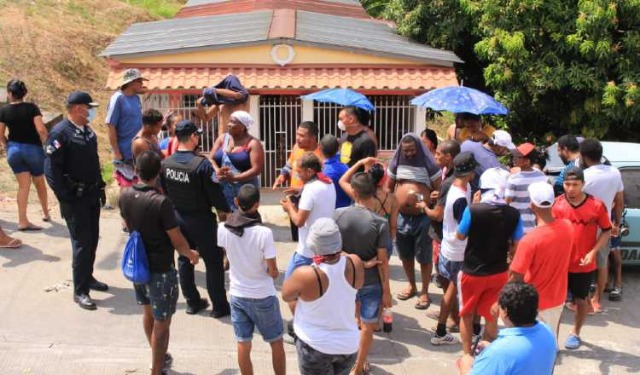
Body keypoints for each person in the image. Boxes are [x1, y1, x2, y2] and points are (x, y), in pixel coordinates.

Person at [119, 150, 200, 375]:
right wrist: (190, 254)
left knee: (148, 314)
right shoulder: (161, 202)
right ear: (159, 172)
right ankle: (156, 369)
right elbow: (176, 238)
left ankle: (159, 358)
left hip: (139, 266)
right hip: (161, 269)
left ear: (136, 170)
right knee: (162, 323)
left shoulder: (124, 195)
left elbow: (127, 224)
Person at [161, 120, 232, 318]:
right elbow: (215, 195)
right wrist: (225, 212)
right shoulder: (201, 165)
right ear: (193, 137)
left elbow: (165, 191)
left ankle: (192, 301)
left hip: (178, 218)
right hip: (201, 220)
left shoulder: (166, 164)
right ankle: (219, 306)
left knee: (184, 258)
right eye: (197, 135)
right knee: (213, 262)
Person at [44, 91, 108, 310]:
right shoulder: (60, 134)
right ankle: (80, 291)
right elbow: (51, 170)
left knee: (92, 240)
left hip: (90, 194)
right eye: (89, 108)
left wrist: (100, 186)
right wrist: (65, 197)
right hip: (75, 199)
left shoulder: (87, 132)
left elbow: (94, 161)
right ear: (79, 109)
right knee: (81, 243)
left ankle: (87, 276)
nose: (91, 112)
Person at [281, 218, 365, 375]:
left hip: (315, 346)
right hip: (348, 345)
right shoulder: (355, 262)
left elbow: (286, 295)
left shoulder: (306, 274)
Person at [217, 185, 285, 375]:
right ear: (257, 205)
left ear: (236, 202)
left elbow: (227, 256)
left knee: (243, 343)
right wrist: (273, 272)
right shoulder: (264, 233)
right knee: (276, 341)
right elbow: (272, 271)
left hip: (237, 295)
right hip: (263, 295)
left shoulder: (222, 228)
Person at [455, 167, 523, 355]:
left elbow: (460, 235)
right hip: (499, 271)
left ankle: (467, 354)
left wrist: (474, 205)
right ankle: (486, 350)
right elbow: (517, 243)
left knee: (466, 315)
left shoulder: (473, 209)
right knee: (492, 314)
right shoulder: (513, 213)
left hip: (472, 272)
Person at [334, 173, 391, 374]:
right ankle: (358, 366)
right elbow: (383, 262)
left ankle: (345, 359)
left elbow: (331, 251)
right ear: (373, 192)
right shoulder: (379, 223)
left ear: (354, 193)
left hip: (345, 279)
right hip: (371, 282)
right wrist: (387, 291)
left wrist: (354, 260)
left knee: (348, 320)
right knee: (367, 324)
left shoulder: (338, 215)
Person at [552, 167, 611, 350]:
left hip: (583, 264)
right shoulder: (557, 204)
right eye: (567, 184)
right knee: (556, 303)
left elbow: (607, 230)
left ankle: (575, 332)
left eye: (575, 185)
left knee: (580, 300)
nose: (570, 188)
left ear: (583, 185)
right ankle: (552, 338)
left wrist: (593, 252)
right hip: (560, 263)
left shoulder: (597, 205)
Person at [280, 152, 336, 341]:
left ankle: (302, 329)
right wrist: (299, 193)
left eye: (299, 172)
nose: (297, 176)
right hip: (323, 249)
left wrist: (289, 207)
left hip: (305, 251)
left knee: (289, 292)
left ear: (310, 171)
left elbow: (298, 221)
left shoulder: (311, 190)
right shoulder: (327, 183)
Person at [509, 181, 574, 342]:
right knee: (550, 344)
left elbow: (515, 277)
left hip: (534, 304)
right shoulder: (568, 227)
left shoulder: (529, 240)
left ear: (532, 205)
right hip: (558, 297)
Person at [423, 152, 475, 345]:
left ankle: (450, 323)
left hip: (448, 247)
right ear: (470, 171)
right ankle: (440, 331)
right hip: (457, 251)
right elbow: (464, 228)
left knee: (450, 290)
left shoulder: (458, 186)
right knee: (452, 291)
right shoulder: (460, 197)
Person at [386, 134, 441, 310]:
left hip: (423, 216)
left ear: (418, 148)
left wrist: (433, 198)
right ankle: (411, 284)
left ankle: (424, 291)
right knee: (405, 254)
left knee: (424, 256)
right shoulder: (397, 162)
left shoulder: (429, 163)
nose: (409, 153)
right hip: (402, 216)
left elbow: (439, 189)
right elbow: (389, 187)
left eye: (412, 150)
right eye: (406, 150)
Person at [459, 282, 557, 375]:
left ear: (505, 312)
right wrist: (491, 347)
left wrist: (465, 365)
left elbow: (507, 353)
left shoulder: (498, 353)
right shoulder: (547, 331)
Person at [580, 139, 624, 311]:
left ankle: (581, 299)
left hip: (584, 226)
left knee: (582, 264)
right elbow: (619, 202)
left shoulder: (584, 176)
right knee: (602, 264)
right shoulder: (615, 173)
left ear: (583, 156)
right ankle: (597, 300)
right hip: (605, 227)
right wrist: (617, 223)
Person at [0, 79, 49, 229]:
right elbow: (41, 129)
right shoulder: (32, 108)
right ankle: (46, 213)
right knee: (39, 182)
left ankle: (22, 221)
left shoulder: (3, 110)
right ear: (24, 93)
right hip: (33, 149)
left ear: (9, 93)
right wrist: (46, 143)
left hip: (14, 150)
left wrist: (7, 144)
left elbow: (0, 133)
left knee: (23, 186)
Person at [272, 121, 322, 241]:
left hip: (309, 200)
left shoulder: (320, 156)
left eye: (302, 136)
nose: (298, 138)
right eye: (297, 134)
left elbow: (322, 182)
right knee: (296, 236)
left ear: (313, 138)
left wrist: (301, 189)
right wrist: (282, 175)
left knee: (308, 235)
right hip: (293, 198)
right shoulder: (296, 148)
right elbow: (289, 165)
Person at [339, 157, 398, 256]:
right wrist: (389, 241)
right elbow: (393, 226)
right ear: (384, 179)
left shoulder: (360, 194)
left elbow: (342, 181)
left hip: (365, 239)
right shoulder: (392, 199)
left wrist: (359, 162)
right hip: (383, 239)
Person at [423, 140, 461, 291]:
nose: (435, 157)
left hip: (442, 234)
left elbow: (437, 215)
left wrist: (424, 207)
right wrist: (440, 196)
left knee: (445, 275)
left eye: (438, 154)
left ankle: (450, 312)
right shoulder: (456, 175)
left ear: (449, 157)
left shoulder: (448, 182)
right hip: (451, 233)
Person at [210, 111, 264, 210]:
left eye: (233, 122)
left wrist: (235, 178)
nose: (229, 124)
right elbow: (211, 158)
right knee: (224, 215)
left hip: (244, 190)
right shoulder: (223, 138)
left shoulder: (253, 143)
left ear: (243, 126)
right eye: (229, 121)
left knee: (243, 216)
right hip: (223, 187)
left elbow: (256, 169)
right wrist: (217, 170)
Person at [106, 68, 147, 189]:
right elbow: (111, 126)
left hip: (137, 152)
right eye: (139, 80)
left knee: (138, 189)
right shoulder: (117, 99)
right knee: (126, 190)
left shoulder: (136, 98)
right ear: (131, 82)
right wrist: (117, 152)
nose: (142, 84)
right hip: (124, 154)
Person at [505, 143, 548, 234]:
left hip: (517, 225)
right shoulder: (542, 177)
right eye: (515, 156)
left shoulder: (513, 178)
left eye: (518, 157)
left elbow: (506, 203)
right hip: (536, 225)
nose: (514, 159)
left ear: (527, 161)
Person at [319, 134, 351, 209]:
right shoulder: (345, 166)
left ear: (320, 148)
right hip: (346, 208)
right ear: (338, 148)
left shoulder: (324, 172)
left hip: (333, 210)